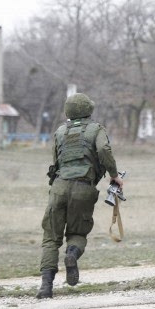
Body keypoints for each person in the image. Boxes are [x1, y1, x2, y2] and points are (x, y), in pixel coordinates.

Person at [36, 93, 124, 299]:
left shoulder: (59, 131)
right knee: (77, 233)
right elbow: (103, 149)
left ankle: (45, 287)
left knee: (51, 238)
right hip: (83, 188)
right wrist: (114, 175)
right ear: (89, 110)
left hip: (59, 187)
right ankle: (72, 255)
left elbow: (55, 161)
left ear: (68, 111)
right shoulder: (96, 129)